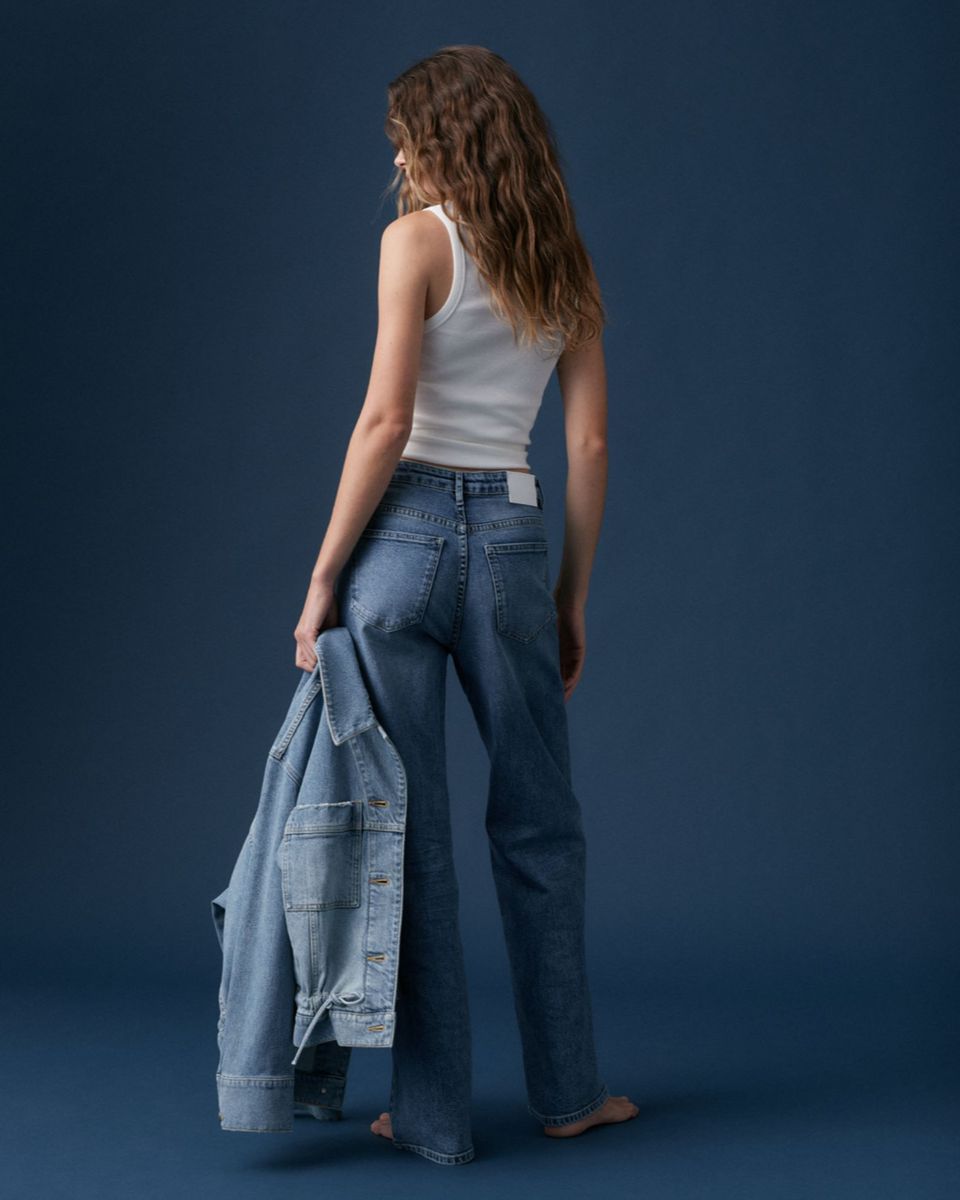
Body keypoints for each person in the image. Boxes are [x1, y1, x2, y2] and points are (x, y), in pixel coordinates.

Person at [291, 44, 638, 1166]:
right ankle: (570, 1093)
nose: (396, 160)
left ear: (446, 140)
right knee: (540, 826)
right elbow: (588, 444)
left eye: (406, 139)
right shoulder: (563, 257)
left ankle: (434, 1120)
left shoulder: (413, 243)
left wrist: (323, 576)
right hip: (511, 543)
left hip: (399, 544)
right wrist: (570, 595)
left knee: (410, 835)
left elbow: (386, 423)